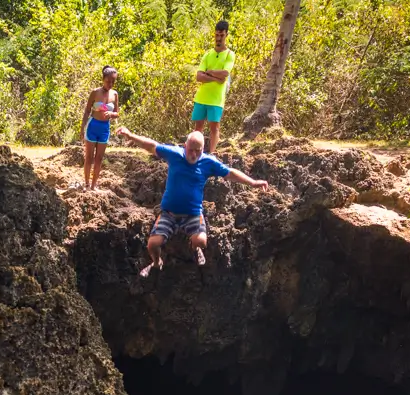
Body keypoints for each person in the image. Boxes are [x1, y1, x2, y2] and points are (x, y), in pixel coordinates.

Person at [116, 127, 269, 276]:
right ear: (185, 146)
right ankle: (156, 262)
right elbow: (151, 145)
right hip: (169, 213)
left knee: (201, 241)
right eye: (191, 150)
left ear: (203, 149)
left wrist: (253, 182)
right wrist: (130, 136)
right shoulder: (174, 154)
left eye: (198, 150)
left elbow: (230, 173)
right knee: (153, 244)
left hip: (192, 214)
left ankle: (195, 249)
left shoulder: (208, 162)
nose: (194, 154)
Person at [192, 20, 235, 154]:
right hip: (201, 97)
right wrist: (215, 78)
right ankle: (194, 153)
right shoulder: (208, 54)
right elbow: (199, 76)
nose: (218, 38)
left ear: (226, 35)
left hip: (216, 99)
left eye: (221, 35)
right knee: (198, 127)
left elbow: (225, 73)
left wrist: (209, 72)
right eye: (216, 35)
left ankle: (211, 154)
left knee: (214, 128)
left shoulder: (229, 54)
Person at [79, 66, 120, 190]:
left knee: (99, 158)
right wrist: (82, 128)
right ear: (103, 79)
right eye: (108, 81)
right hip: (93, 126)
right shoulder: (95, 92)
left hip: (104, 129)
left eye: (113, 81)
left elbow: (117, 113)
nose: (110, 84)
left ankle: (94, 185)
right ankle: (86, 184)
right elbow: (87, 111)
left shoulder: (115, 94)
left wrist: (112, 114)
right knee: (89, 157)